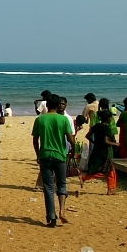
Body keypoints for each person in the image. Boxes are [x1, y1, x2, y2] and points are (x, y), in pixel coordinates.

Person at [32, 94, 76, 227]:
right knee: (62, 184)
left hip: (45, 155)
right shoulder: (63, 120)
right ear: (58, 105)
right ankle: (62, 211)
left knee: (48, 187)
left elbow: (35, 140)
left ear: (46, 105)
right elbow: (70, 138)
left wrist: (38, 154)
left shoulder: (40, 120)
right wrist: (73, 150)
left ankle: (51, 217)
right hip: (60, 156)